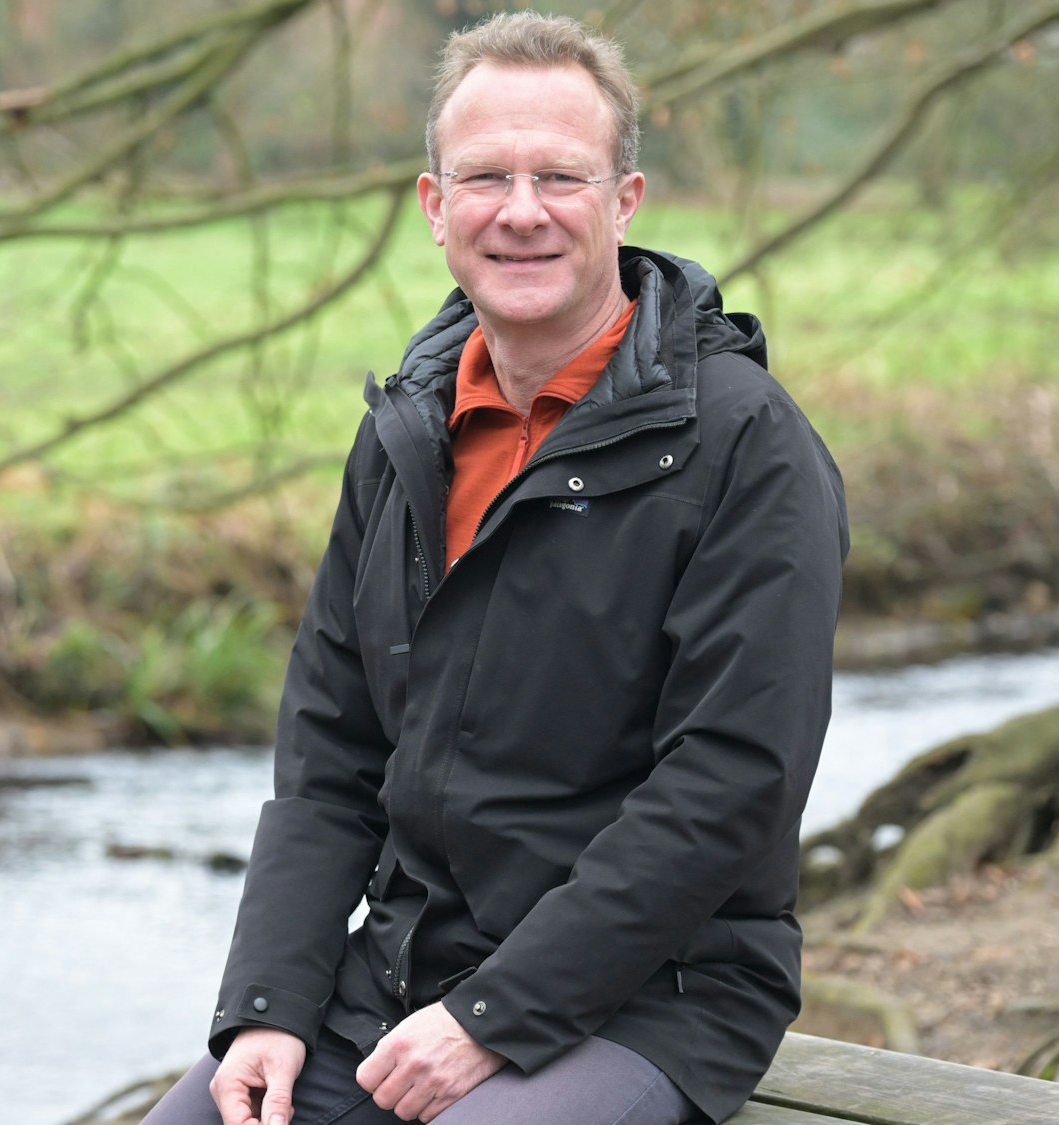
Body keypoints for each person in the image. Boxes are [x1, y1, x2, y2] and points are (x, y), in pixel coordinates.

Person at [142, 11, 847, 1125]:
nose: (520, 212)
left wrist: (494, 1016)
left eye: (558, 176)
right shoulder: (403, 433)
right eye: (484, 177)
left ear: (623, 201)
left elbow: (727, 786)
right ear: (434, 208)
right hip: (399, 977)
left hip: (650, 994)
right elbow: (331, 752)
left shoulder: (742, 445)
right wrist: (269, 1005)